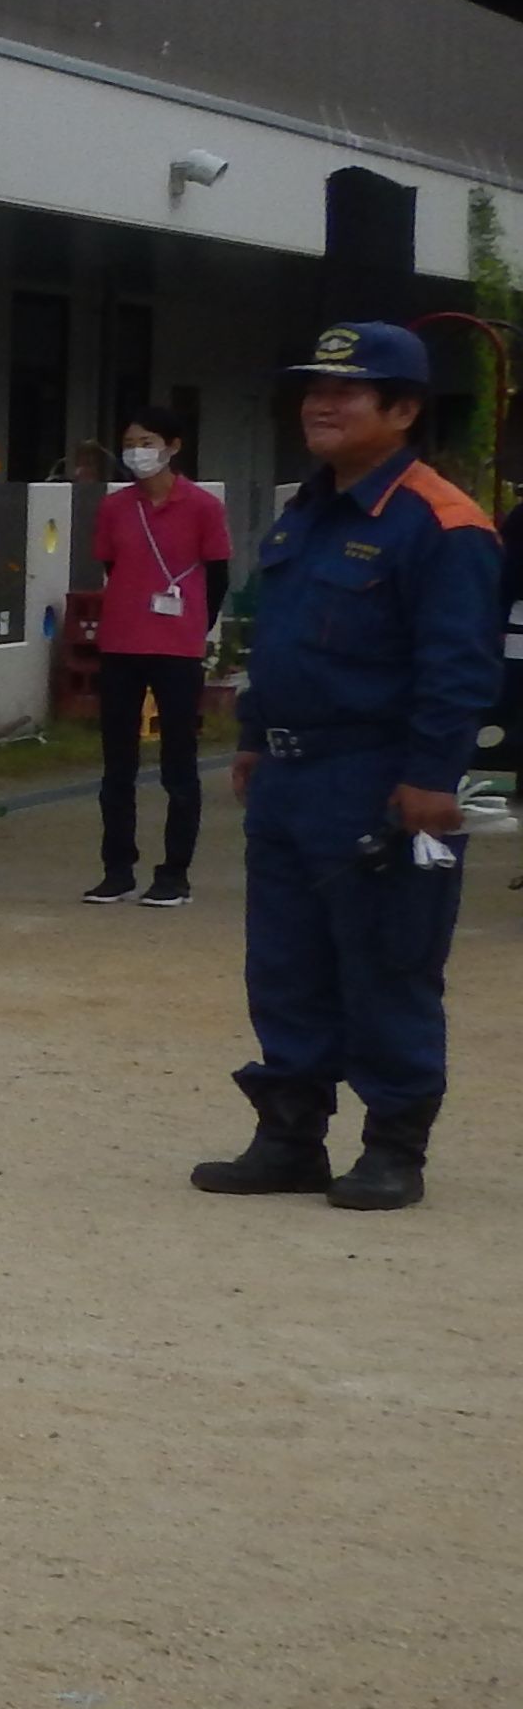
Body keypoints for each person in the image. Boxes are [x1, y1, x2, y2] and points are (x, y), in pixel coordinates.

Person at [191, 321, 500, 1212]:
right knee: (285, 962)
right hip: (291, 778)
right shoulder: (311, 507)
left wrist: (434, 779)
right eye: (313, 389)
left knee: (388, 958)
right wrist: (252, 734)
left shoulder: (443, 525)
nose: (321, 405)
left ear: (402, 411)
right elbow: (278, 637)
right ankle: (289, 1136)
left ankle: (394, 1146)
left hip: (381, 778)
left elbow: (458, 665)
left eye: (348, 391)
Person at [88, 405, 231, 909]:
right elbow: (111, 562)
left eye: (148, 441)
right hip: (121, 642)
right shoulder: (115, 507)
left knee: (178, 763)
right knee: (117, 763)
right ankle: (116, 868)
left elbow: (217, 575)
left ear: (173, 446)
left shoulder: (202, 507)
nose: (137, 452)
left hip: (177, 647)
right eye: (130, 442)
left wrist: (194, 624)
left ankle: (174, 872)